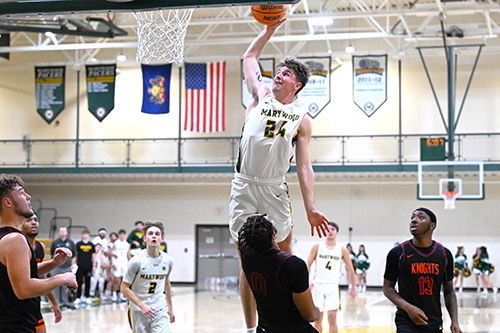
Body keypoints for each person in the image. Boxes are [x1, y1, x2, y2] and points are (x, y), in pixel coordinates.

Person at [229, 18, 329, 332]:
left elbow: (303, 166)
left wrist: (311, 207)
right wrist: (268, 31)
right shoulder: (259, 95)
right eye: (277, 71)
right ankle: (250, 327)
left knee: (285, 256)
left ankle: (292, 320)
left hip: (274, 188)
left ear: (296, 85)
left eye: (285, 74)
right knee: (247, 260)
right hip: (244, 185)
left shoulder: (302, 118)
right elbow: (249, 58)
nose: (278, 76)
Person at [0, 174, 77, 333]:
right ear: (7, 202)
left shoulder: (5, 236)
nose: (28, 197)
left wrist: (53, 264)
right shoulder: (15, 239)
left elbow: (15, 274)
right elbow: (23, 289)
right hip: (15, 326)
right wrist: (61, 278)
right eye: (21, 193)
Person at [383, 207, 461, 333]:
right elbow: (387, 288)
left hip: (433, 321)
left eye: (420, 217)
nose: (414, 220)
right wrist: (408, 308)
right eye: (412, 217)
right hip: (406, 322)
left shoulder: (444, 254)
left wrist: (455, 321)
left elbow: (449, 291)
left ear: (432, 225)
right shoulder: (398, 253)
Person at [238, 214, 320, 333]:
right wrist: (317, 312)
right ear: (273, 235)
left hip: (264, 329)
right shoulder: (292, 264)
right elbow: (309, 315)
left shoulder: (247, 260)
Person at [121, 221, 174, 333]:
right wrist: (142, 305)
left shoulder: (168, 261)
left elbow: (166, 283)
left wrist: (170, 308)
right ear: (144, 239)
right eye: (150, 233)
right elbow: (124, 288)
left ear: (162, 239)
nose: (154, 236)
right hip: (138, 310)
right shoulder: (136, 261)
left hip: (159, 309)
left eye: (157, 234)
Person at [306, 222, 356, 333]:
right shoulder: (317, 247)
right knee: (317, 319)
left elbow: (350, 269)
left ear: (337, 233)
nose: (330, 231)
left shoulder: (342, 249)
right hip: (318, 285)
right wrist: (308, 280)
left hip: (333, 286)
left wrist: (353, 287)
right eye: (328, 229)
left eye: (333, 229)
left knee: (332, 318)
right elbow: (307, 265)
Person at [21, 214, 63, 333]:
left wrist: (54, 303)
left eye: (35, 220)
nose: (33, 222)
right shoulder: (16, 246)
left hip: (33, 304)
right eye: (28, 220)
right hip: (16, 305)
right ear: (20, 225)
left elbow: (41, 276)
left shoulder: (41, 247)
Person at [50, 226, 76, 309]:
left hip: (67, 267)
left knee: (65, 286)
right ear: (59, 232)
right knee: (56, 285)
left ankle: (65, 302)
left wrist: (72, 264)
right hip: (57, 268)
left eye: (64, 231)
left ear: (66, 232)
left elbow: (74, 255)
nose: (62, 233)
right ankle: (55, 303)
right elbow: (52, 254)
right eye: (61, 231)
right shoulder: (55, 242)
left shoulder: (71, 242)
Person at [73, 229, 96, 305]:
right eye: (84, 234)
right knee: (79, 281)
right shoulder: (78, 244)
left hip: (88, 265)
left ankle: (87, 296)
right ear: (82, 235)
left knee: (88, 281)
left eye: (87, 234)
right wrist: (73, 264)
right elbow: (75, 255)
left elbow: (94, 256)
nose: (85, 235)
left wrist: (94, 265)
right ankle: (78, 297)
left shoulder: (91, 245)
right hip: (80, 265)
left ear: (88, 235)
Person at [111, 229, 129, 302]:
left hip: (124, 263)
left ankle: (121, 295)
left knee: (123, 280)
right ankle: (114, 294)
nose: (122, 236)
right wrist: (113, 264)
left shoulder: (127, 244)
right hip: (117, 262)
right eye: (120, 234)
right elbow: (113, 255)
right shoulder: (116, 243)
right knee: (116, 279)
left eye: (123, 234)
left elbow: (128, 255)